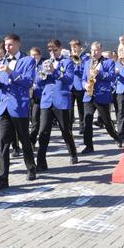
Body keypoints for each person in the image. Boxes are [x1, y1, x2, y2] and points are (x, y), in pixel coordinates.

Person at [0, 33, 37, 190]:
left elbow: (28, 82)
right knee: (3, 142)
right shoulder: (3, 60)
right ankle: (2, 179)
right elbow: (2, 85)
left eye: (10, 45)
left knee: (24, 139)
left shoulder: (27, 60)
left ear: (18, 44)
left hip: (19, 106)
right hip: (4, 106)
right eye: (6, 45)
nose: (7, 48)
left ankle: (31, 167)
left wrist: (11, 72)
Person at [36, 39, 79, 170]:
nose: (52, 53)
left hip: (61, 100)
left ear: (60, 49)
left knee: (65, 130)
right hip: (47, 100)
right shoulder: (45, 62)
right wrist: (42, 74)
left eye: (55, 50)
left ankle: (72, 152)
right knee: (43, 131)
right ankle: (41, 161)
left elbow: (69, 79)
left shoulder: (67, 62)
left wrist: (54, 71)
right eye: (50, 50)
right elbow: (38, 82)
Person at [81, 42, 118, 152]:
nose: (94, 52)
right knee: (87, 121)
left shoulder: (108, 62)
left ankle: (116, 136)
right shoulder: (87, 63)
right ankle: (88, 146)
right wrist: (85, 85)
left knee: (106, 122)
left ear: (101, 51)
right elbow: (83, 79)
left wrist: (99, 73)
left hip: (101, 95)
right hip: (89, 95)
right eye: (92, 50)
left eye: (96, 50)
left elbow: (111, 77)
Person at [69, 39, 90, 126]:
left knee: (81, 108)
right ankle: (69, 126)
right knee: (69, 108)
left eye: (75, 46)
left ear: (79, 47)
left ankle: (82, 125)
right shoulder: (69, 57)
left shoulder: (85, 58)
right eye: (71, 47)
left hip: (80, 85)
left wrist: (79, 63)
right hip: (70, 85)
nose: (73, 48)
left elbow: (86, 71)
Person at [28, 47, 44, 147]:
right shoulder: (28, 66)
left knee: (35, 119)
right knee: (30, 118)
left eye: (36, 55)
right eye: (32, 55)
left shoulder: (43, 65)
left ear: (40, 56)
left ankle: (32, 141)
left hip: (39, 95)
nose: (34, 57)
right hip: (28, 96)